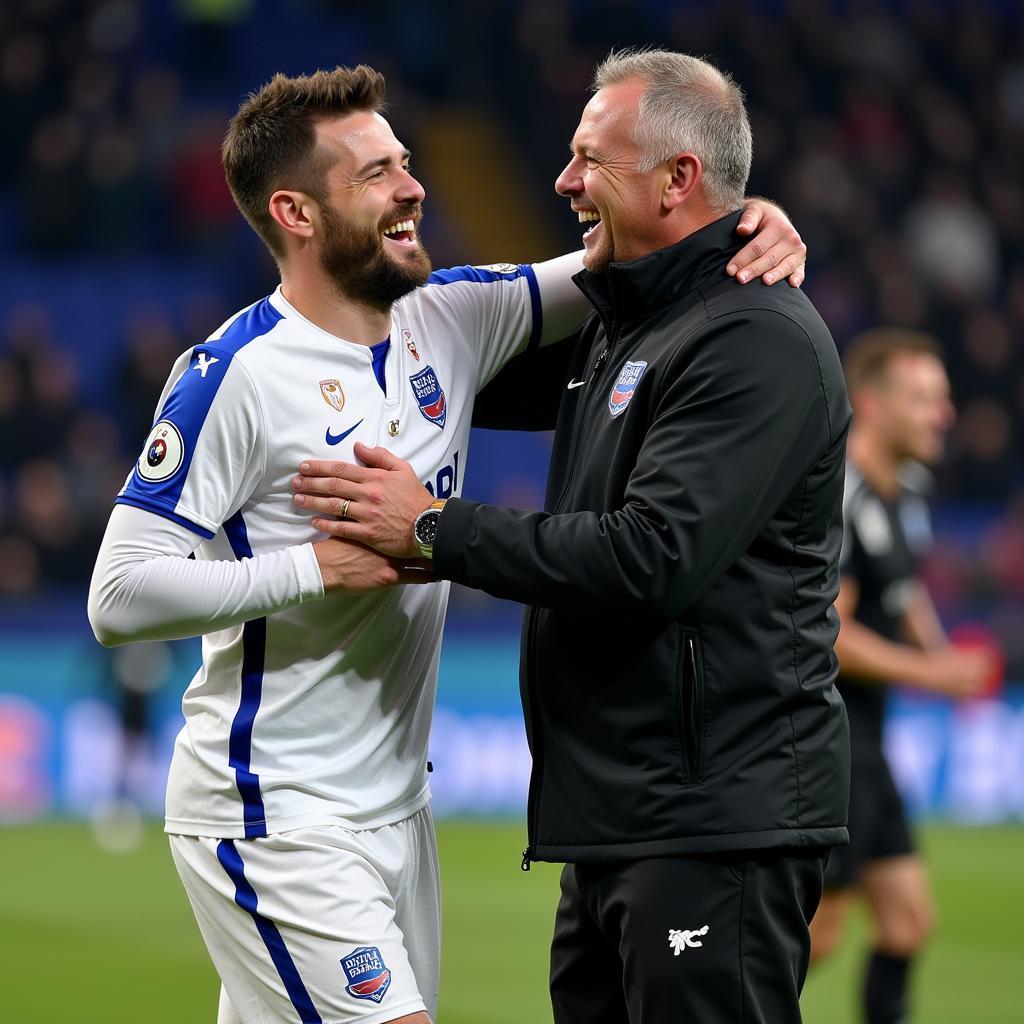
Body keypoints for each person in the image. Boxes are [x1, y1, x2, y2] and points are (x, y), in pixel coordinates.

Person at [86, 64, 805, 1024]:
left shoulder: (453, 317)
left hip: (395, 805)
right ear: (297, 214)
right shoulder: (234, 376)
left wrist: (752, 213)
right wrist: (314, 567)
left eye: (406, 162)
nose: (413, 187)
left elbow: (650, 243)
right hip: (275, 809)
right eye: (377, 173)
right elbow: (118, 594)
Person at [293, 49, 851, 1023]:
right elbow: (426, 344)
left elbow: (650, 558)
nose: (563, 182)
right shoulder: (618, 321)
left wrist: (430, 527)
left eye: (591, 160)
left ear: (679, 179)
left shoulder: (755, 338)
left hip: (713, 822)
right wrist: (329, 241)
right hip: (616, 820)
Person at [808, 329, 994, 1024]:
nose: (943, 414)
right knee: (816, 936)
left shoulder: (910, 488)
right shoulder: (842, 495)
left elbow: (904, 590)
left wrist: (942, 656)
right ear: (874, 407)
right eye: (925, 399)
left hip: (870, 741)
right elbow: (830, 631)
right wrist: (931, 675)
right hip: (827, 736)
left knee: (907, 921)